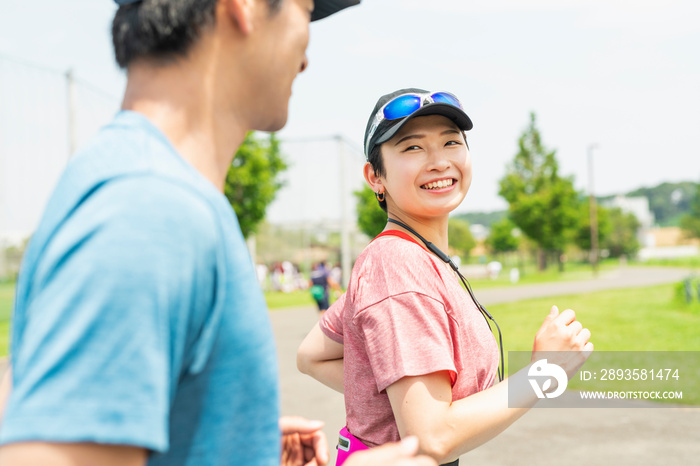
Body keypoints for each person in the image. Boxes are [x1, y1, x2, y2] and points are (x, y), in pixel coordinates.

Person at [0, 2, 437, 465]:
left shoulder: (136, 183)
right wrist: (528, 382)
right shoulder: (150, 209)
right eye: (304, 11)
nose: (307, 54)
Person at [297, 88, 594, 465]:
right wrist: (543, 374)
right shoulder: (396, 265)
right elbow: (431, 438)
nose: (439, 162)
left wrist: (387, 399)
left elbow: (311, 355)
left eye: (451, 142)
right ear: (375, 177)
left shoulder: (412, 258)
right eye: (412, 148)